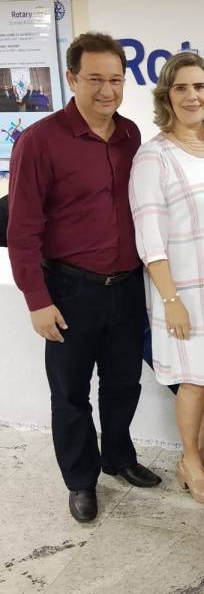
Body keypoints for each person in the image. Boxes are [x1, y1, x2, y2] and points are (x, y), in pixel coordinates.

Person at [8, 32, 160, 524]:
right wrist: (37, 299)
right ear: (72, 78)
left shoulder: (131, 135)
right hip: (69, 290)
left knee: (124, 384)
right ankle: (81, 480)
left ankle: (118, 457)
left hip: (127, 287)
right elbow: (22, 229)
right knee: (71, 394)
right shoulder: (40, 141)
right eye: (95, 79)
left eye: (115, 79)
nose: (107, 90)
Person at [129, 52, 204, 506]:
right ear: (167, 96)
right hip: (182, 292)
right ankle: (189, 460)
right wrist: (171, 299)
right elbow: (149, 236)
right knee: (194, 380)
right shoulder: (153, 156)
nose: (191, 96)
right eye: (180, 87)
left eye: (199, 86)